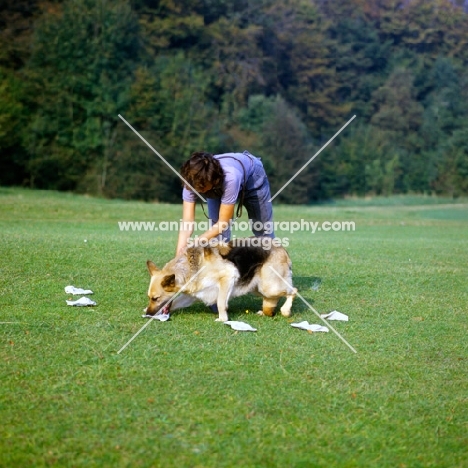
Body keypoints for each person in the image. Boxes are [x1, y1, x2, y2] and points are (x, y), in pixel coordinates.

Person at [176, 150, 275, 256]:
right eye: (195, 187)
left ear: (212, 180)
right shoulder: (191, 182)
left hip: (253, 177)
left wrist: (195, 243)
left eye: (202, 186)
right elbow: (187, 224)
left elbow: (223, 223)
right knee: (218, 238)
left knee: (262, 229)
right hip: (219, 183)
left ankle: (277, 266)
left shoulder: (230, 178)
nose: (199, 190)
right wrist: (178, 259)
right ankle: (220, 270)